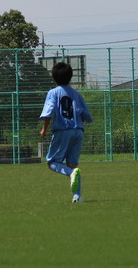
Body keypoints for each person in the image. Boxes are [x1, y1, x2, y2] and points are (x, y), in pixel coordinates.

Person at [39, 62, 92, 202]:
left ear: (54, 77)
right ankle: (77, 196)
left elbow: (49, 111)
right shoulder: (77, 94)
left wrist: (44, 129)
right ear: (70, 77)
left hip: (63, 130)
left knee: (52, 162)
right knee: (73, 164)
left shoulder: (53, 93)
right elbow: (86, 115)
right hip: (78, 131)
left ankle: (71, 173)